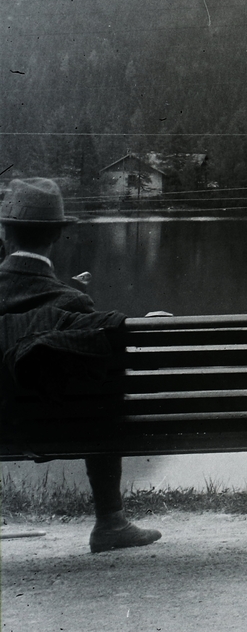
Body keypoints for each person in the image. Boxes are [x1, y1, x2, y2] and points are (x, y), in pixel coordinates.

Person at [0, 177, 162, 552]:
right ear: (57, 235)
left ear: (5, 233)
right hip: (61, 428)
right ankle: (110, 521)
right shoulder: (73, 303)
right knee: (102, 392)